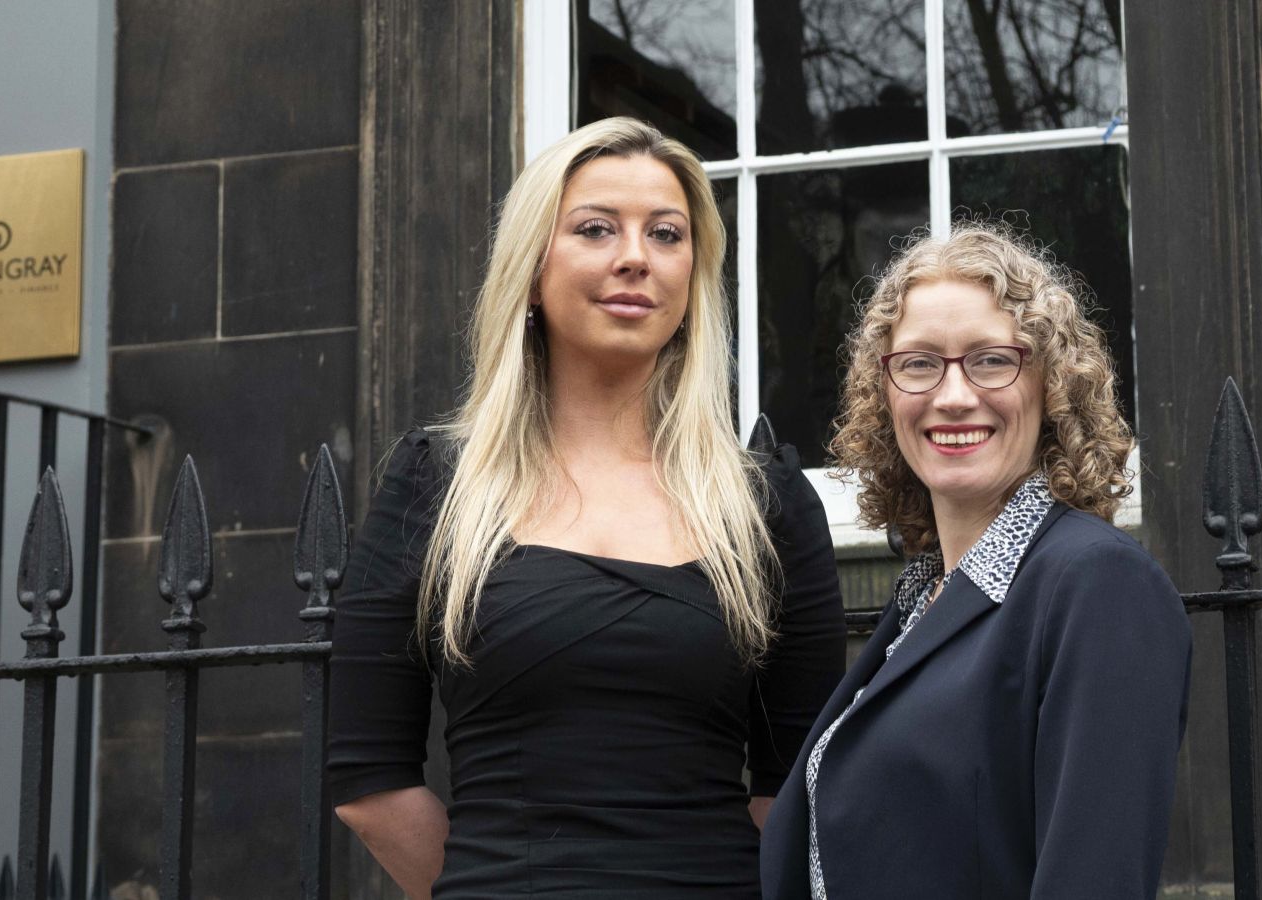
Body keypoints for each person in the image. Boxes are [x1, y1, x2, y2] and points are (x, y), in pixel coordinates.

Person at [326, 117, 846, 898]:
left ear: (692, 279)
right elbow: (368, 780)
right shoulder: (438, 484)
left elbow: (797, 786)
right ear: (533, 270)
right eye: (596, 228)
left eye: (666, 234)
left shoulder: (766, 505)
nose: (635, 256)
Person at [761, 224, 1191, 899]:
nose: (954, 395)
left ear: (1051, 384)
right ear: (884, 392)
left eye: (991, 360)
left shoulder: (1098, 583)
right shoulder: (925, 595)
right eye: (919, 363)